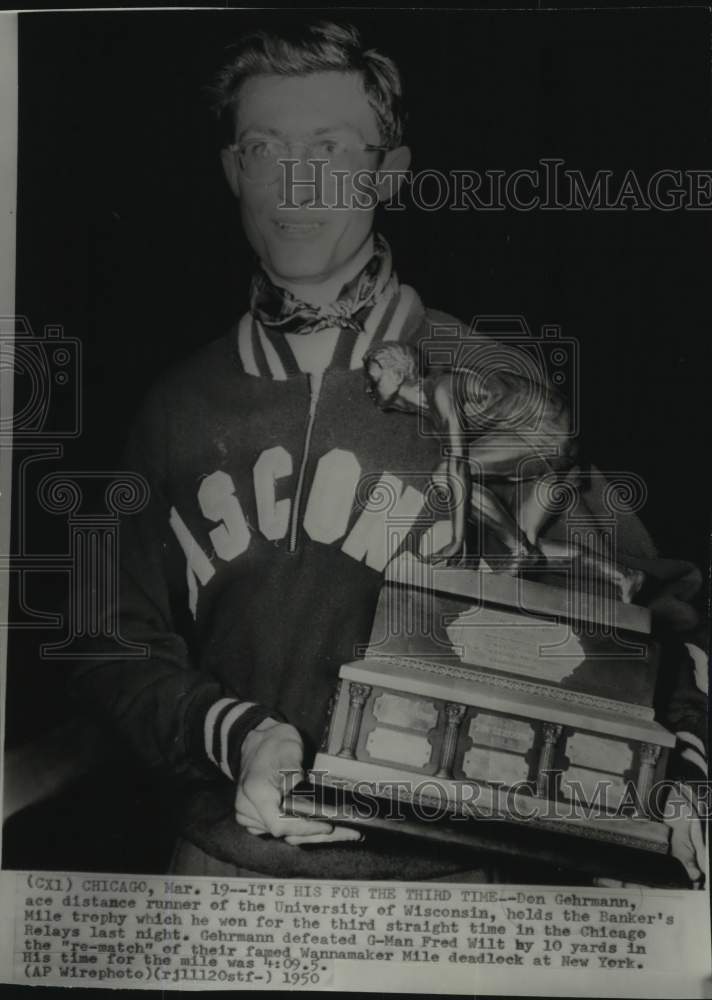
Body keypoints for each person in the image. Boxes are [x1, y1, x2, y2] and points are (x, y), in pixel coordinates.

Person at [70, 19, 707, 884]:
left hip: (445, 898)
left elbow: (660, 611)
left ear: (389, 173)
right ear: (232, 173)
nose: (294, 182)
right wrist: (239, 733)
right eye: (264, 148)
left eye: (329, 148)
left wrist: (682, 777)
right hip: (223, 880)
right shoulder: (175, 407)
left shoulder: (493, 385)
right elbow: (112, 639)